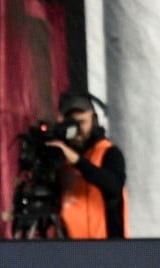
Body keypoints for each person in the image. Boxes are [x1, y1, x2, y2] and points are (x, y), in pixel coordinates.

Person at [46, 91, 128, 238]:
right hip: (70, 251)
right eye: (72, 124)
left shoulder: (108, 152)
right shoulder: (62, 158)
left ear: (94, 121)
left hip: (107, 249)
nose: (77, 130)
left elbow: (113, 184)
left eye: (82, 122)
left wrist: (77, 161)